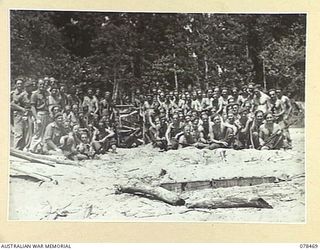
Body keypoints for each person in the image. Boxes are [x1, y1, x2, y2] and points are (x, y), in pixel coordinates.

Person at [11, 80, 34, 150]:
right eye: (28, 87)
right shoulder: (22, 94)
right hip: (19, 115)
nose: (30, 88)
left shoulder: (32, 94)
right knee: (19, 134)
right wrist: (22, 109)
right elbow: (12, 104)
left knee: (27, 134)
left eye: (31, 87)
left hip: (28, 115)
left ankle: (24, 149)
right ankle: (16, 150)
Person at [29, 79, 50, 153]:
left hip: (46, 114)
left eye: (43, 84)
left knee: (44, 132)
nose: (42, 86)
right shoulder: (34, 94)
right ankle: (32, 148)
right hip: (39, 114)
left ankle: (39, 149)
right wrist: (36, 118)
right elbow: (32, 107)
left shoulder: (46, 94)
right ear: (37, 85)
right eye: (40, 84)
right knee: (37, 132)